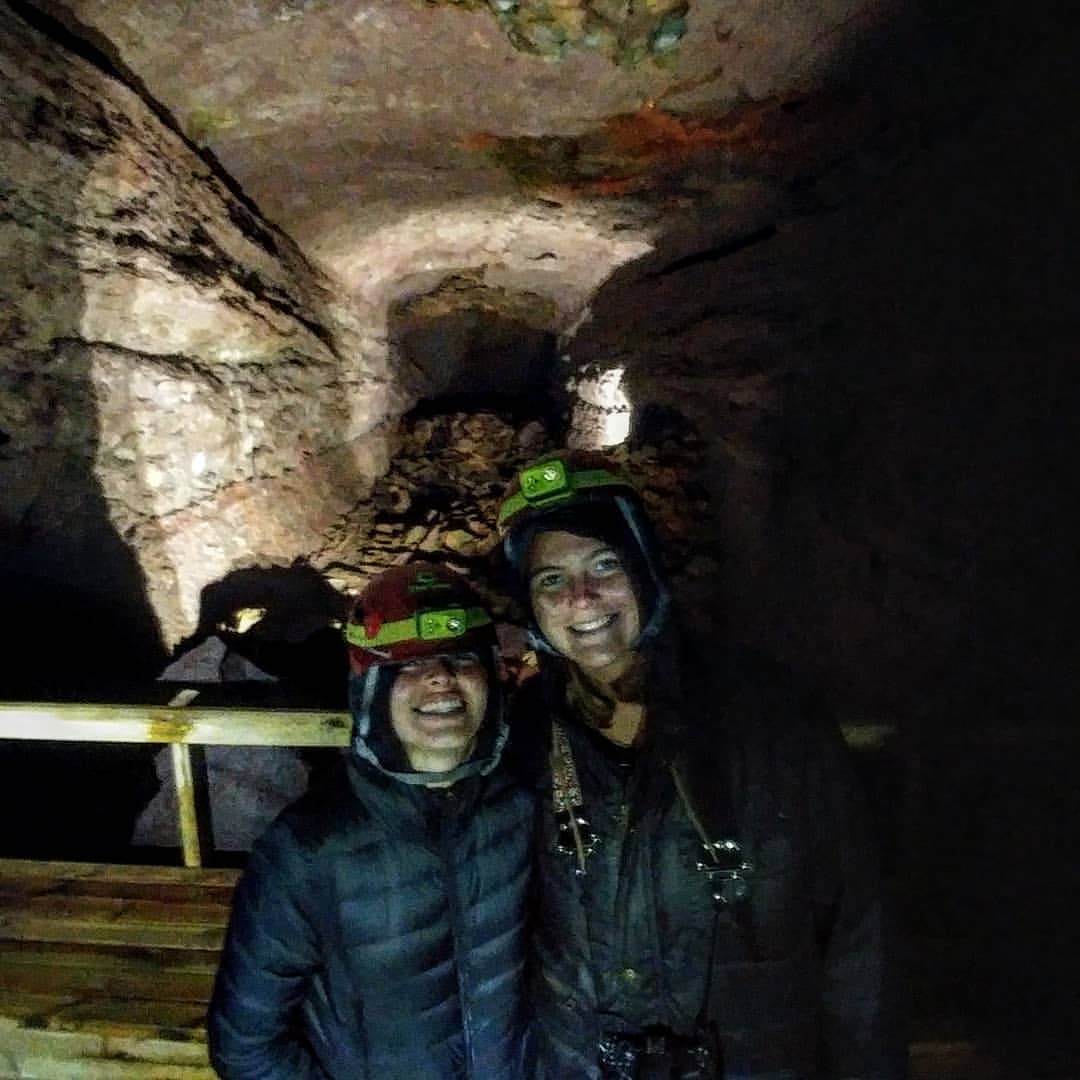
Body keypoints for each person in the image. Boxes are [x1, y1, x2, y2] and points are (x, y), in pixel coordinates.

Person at [497, 452, 907, 1079]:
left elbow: (856, 932)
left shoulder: (770, 717)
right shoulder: (522, 736)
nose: (581, 597)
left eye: (605, 564)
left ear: (644, 566)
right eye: (551, 579)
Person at [208, 562, 533, 1079]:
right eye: (408, 665)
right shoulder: (309, 849)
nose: (439, 677)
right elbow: (246, 1045)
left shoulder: (525, 807)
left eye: (459, 658)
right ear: (373, 692)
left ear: (491, 678)